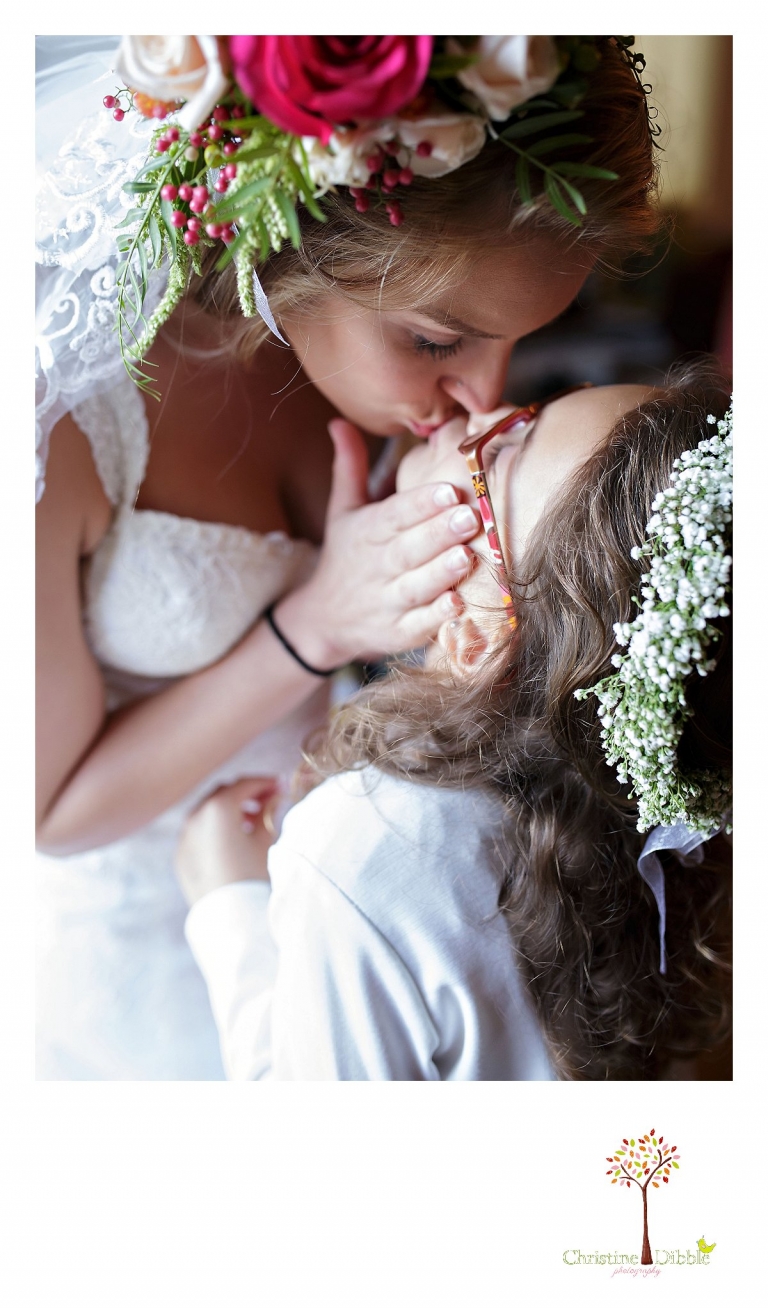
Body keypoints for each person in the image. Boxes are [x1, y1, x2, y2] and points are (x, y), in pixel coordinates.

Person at [35, 36, 660, 1078]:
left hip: (363, 933)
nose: (481, 394)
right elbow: (48, 809)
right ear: (305, 247)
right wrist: (314, 625)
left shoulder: (364, 366)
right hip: (136, 971)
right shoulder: (57, 397)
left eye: (518, 340)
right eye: (435, 339)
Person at [177, 367, 732, 1080]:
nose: (483, 407)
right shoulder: (658, 805)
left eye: (504, 446)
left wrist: (229, 904)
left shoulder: (366, 850)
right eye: (532, 406)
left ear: (474, 637)